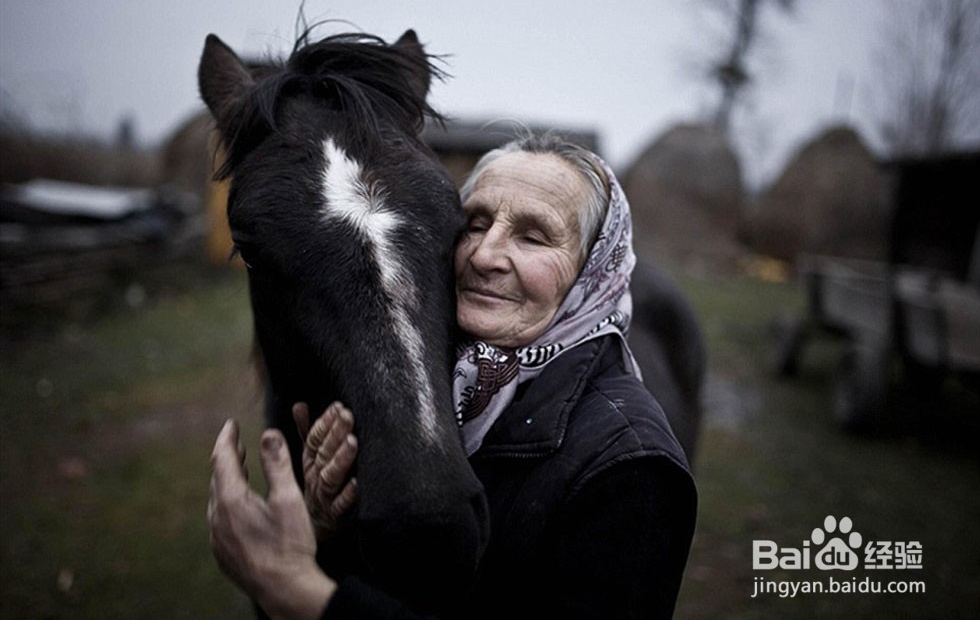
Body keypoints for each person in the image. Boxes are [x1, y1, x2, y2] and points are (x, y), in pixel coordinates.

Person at [208, 134, 698, 619]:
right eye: (475, 224)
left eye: (532, 236)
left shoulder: (632, 469)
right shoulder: (421, 384)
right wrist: (327, 535)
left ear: (594, 272)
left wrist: (303, 595)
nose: (485, 255)